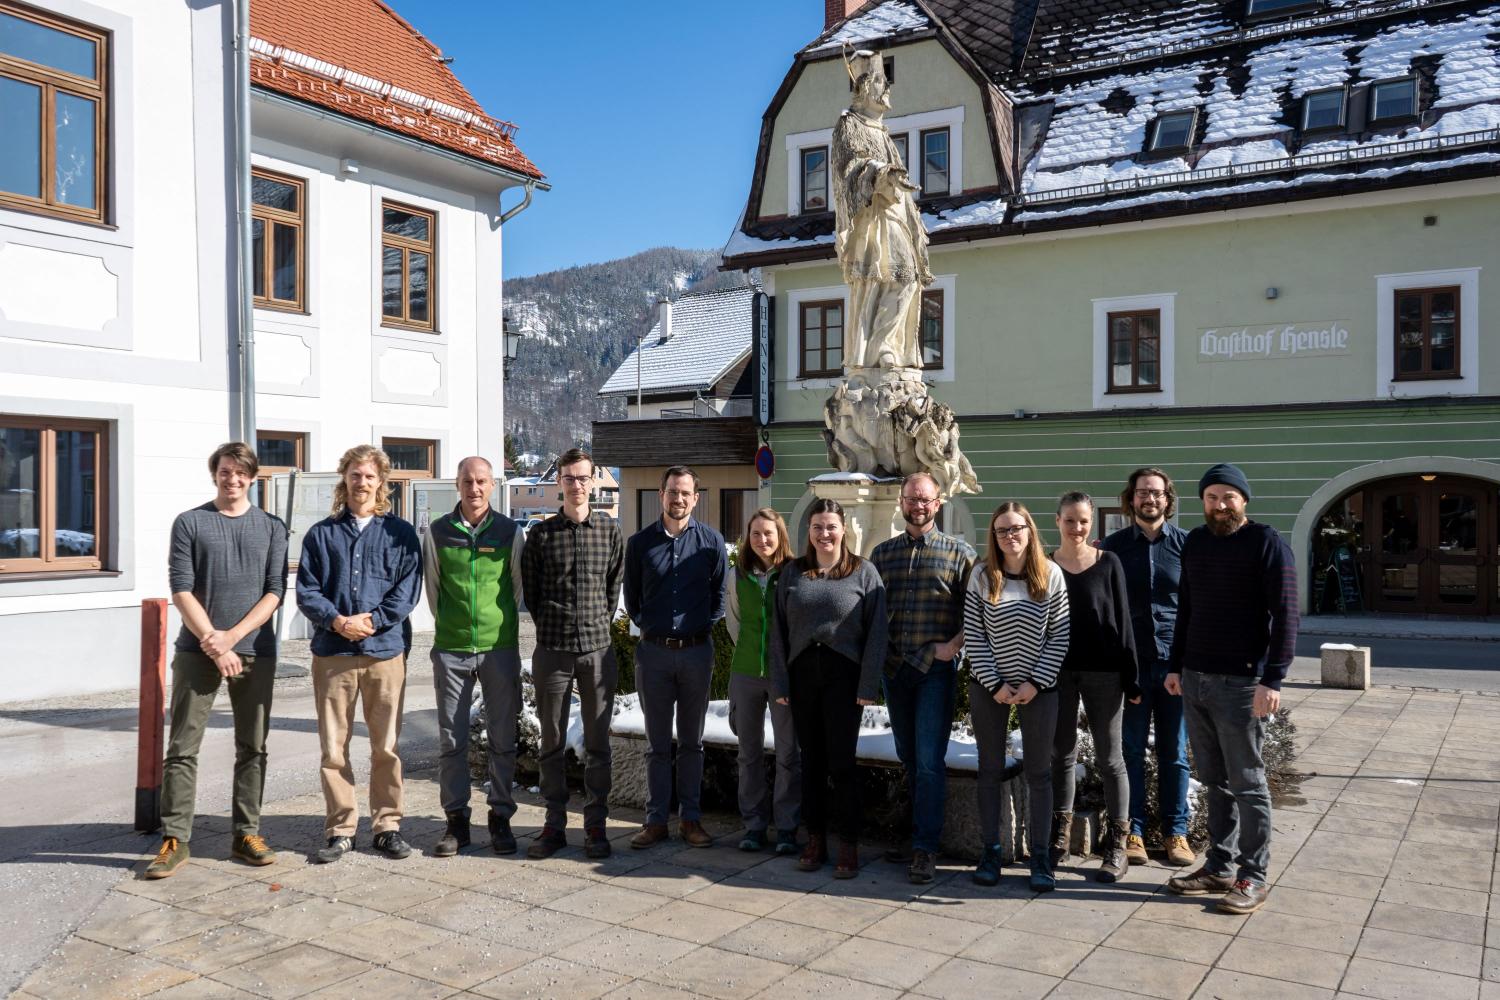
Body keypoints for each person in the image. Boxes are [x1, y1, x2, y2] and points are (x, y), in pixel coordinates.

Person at [146, 443, 289, 879]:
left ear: (252, 477)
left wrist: (234, 638)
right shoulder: (191, 522)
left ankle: (246, 833)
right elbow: (181, 588)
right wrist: (216, 643)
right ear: (215, 475)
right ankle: (175, 838)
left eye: (241, 473)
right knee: (182, 749)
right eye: (226, 472)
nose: (233, 479)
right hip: (198, 652)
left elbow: (275, 591)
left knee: (253, 747)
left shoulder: (271, 527)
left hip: (254, 651)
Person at [1166, 463, 1298, 915]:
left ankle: (1252, 876)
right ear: (1202, 502)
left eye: (1228, 497)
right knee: (1213, 782)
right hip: (1196, 677)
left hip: (1243, 684)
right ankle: (1218, 866)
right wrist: (1176, 665)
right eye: (1211, 497)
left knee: (1248, 783)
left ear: (1243, 500)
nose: (1219, 505)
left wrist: (1272, 678)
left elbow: (1286, 616)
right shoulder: (1197, 542)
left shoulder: (1267, 544)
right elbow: (1187, 608)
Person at [297, 445, 422, 864]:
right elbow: (307, 590)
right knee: (334, 748)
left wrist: (372, 621)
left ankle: (387, 826)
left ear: (381, 482)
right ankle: (341, 828)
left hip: (384, 653)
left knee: (385, 746)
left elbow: (408, 590)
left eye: (370, 476)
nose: (362, 483)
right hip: (333, 653)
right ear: (344, 479)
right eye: (355, 475)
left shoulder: (401, 535)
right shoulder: (321, 535)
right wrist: (337, 621)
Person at [769, 498, 887, 878]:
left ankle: (848, 844)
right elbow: (778, 633)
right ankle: (815, 838)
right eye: (818, 526)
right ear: (809, 532)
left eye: (831, 526)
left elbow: (877, 633)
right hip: (802, 676)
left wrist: (868, 682)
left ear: (844, 529)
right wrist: (781, 682)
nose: (824, 534)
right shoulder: (793, 573)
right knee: (811, 763)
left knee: (842, 763)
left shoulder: (863, 573)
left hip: (844, 678)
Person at [870, 472, 974, 883]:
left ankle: (925, 849)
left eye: (925, 499)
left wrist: (954, 646)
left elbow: (976, 610)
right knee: (910, 758)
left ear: (938, 503)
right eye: (912, 498)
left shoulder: (959, 553)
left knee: (929, 761)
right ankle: (917, 834)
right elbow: (872, 612)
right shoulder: (882, 554)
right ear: (901, 501)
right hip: (894, 670)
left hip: (934, 671)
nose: (918, 505)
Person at [522, 448, 624, 861]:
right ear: (559, 481)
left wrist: (595, 623)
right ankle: (554, 825)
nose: (577, 485)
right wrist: (556, 625)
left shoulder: (609, 531)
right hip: (553, 651)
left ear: (593, 482)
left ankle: (596, 826)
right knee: (552, 741)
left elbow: (613, 587)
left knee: (598, 743)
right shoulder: (541, 535)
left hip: (597, 651)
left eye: (583, 478)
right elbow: (532, 593)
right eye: (569, 478)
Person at [422, 456, 525, 857]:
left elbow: (516, 589)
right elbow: (434, 591)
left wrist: (494, 627)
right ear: (457, 485)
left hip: (499, 649)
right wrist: (456, 625)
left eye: (482, 481)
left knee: (503, 737)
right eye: (468, 481)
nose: (475, 488)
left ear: (493, 485)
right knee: (452, 738)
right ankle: (456, 822)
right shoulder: (437, 533)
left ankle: (500, 817)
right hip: (452, 648)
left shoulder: (510, 532)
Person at [964, 502, 1070, 892]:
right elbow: (974, 635)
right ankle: (990, 851)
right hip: (988, 688)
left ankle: (1040, 857)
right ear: (993, 536)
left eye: (1017, 528)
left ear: (1030, 530)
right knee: (990, 769)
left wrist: (1034, 683)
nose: (1010, 536)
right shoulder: (981, 575)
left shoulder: (1050, 574)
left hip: (1039, 690)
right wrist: (996, 684)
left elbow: (1059, 634)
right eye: (1002, 530)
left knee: (1040, 773)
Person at [623, 465, 728, 848]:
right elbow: (632, 600)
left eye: (685, 493)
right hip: (653, 655)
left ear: (695, 498)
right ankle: (655, 821)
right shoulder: (639, 544)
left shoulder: (711, 543)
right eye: (672, 492)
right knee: (657, 743)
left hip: (697, 653)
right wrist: (653, 626)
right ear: (661, 495)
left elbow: (719, 598)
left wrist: (697, 626)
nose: (678, 499)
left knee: (691, 742)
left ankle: (691, 820)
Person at [1101, 467, 1193, 867]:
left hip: (1176, 668)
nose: (1149, 499)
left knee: (1174, 753)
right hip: (1133, 668)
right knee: (1132, 752)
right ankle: (1133, 831)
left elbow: (1197, 608)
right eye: (1142, 493)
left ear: (1168, 500)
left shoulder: (1188, 547)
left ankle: (1177, 833)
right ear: (1131, 499)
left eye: (1156, 493)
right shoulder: (1114, 548)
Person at [1049, 492, 1140, 883]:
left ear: (1091, 524)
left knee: (1110, 757)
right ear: (1057, 521)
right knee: (1062, 754)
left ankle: (1117, 843)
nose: (1077, 528)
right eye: (1070, 520)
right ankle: (1059, 837)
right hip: (1058, 672)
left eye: (1084, 521)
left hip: (1105, 673)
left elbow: (1124, 619)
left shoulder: (1109, 563)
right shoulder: (1046, 565)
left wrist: (1131, 675)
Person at [725, 507, 801, 855]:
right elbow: (734, 621)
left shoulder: (794, 573)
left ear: (780, 536)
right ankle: (754, 825)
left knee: (788, 752)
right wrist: (752, 652)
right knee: (748, 753)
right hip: (745, 673)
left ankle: (786, 827)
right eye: (755, 534)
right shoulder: (737, 574)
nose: (762, 540)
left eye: (768, 533)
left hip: (783, 676)